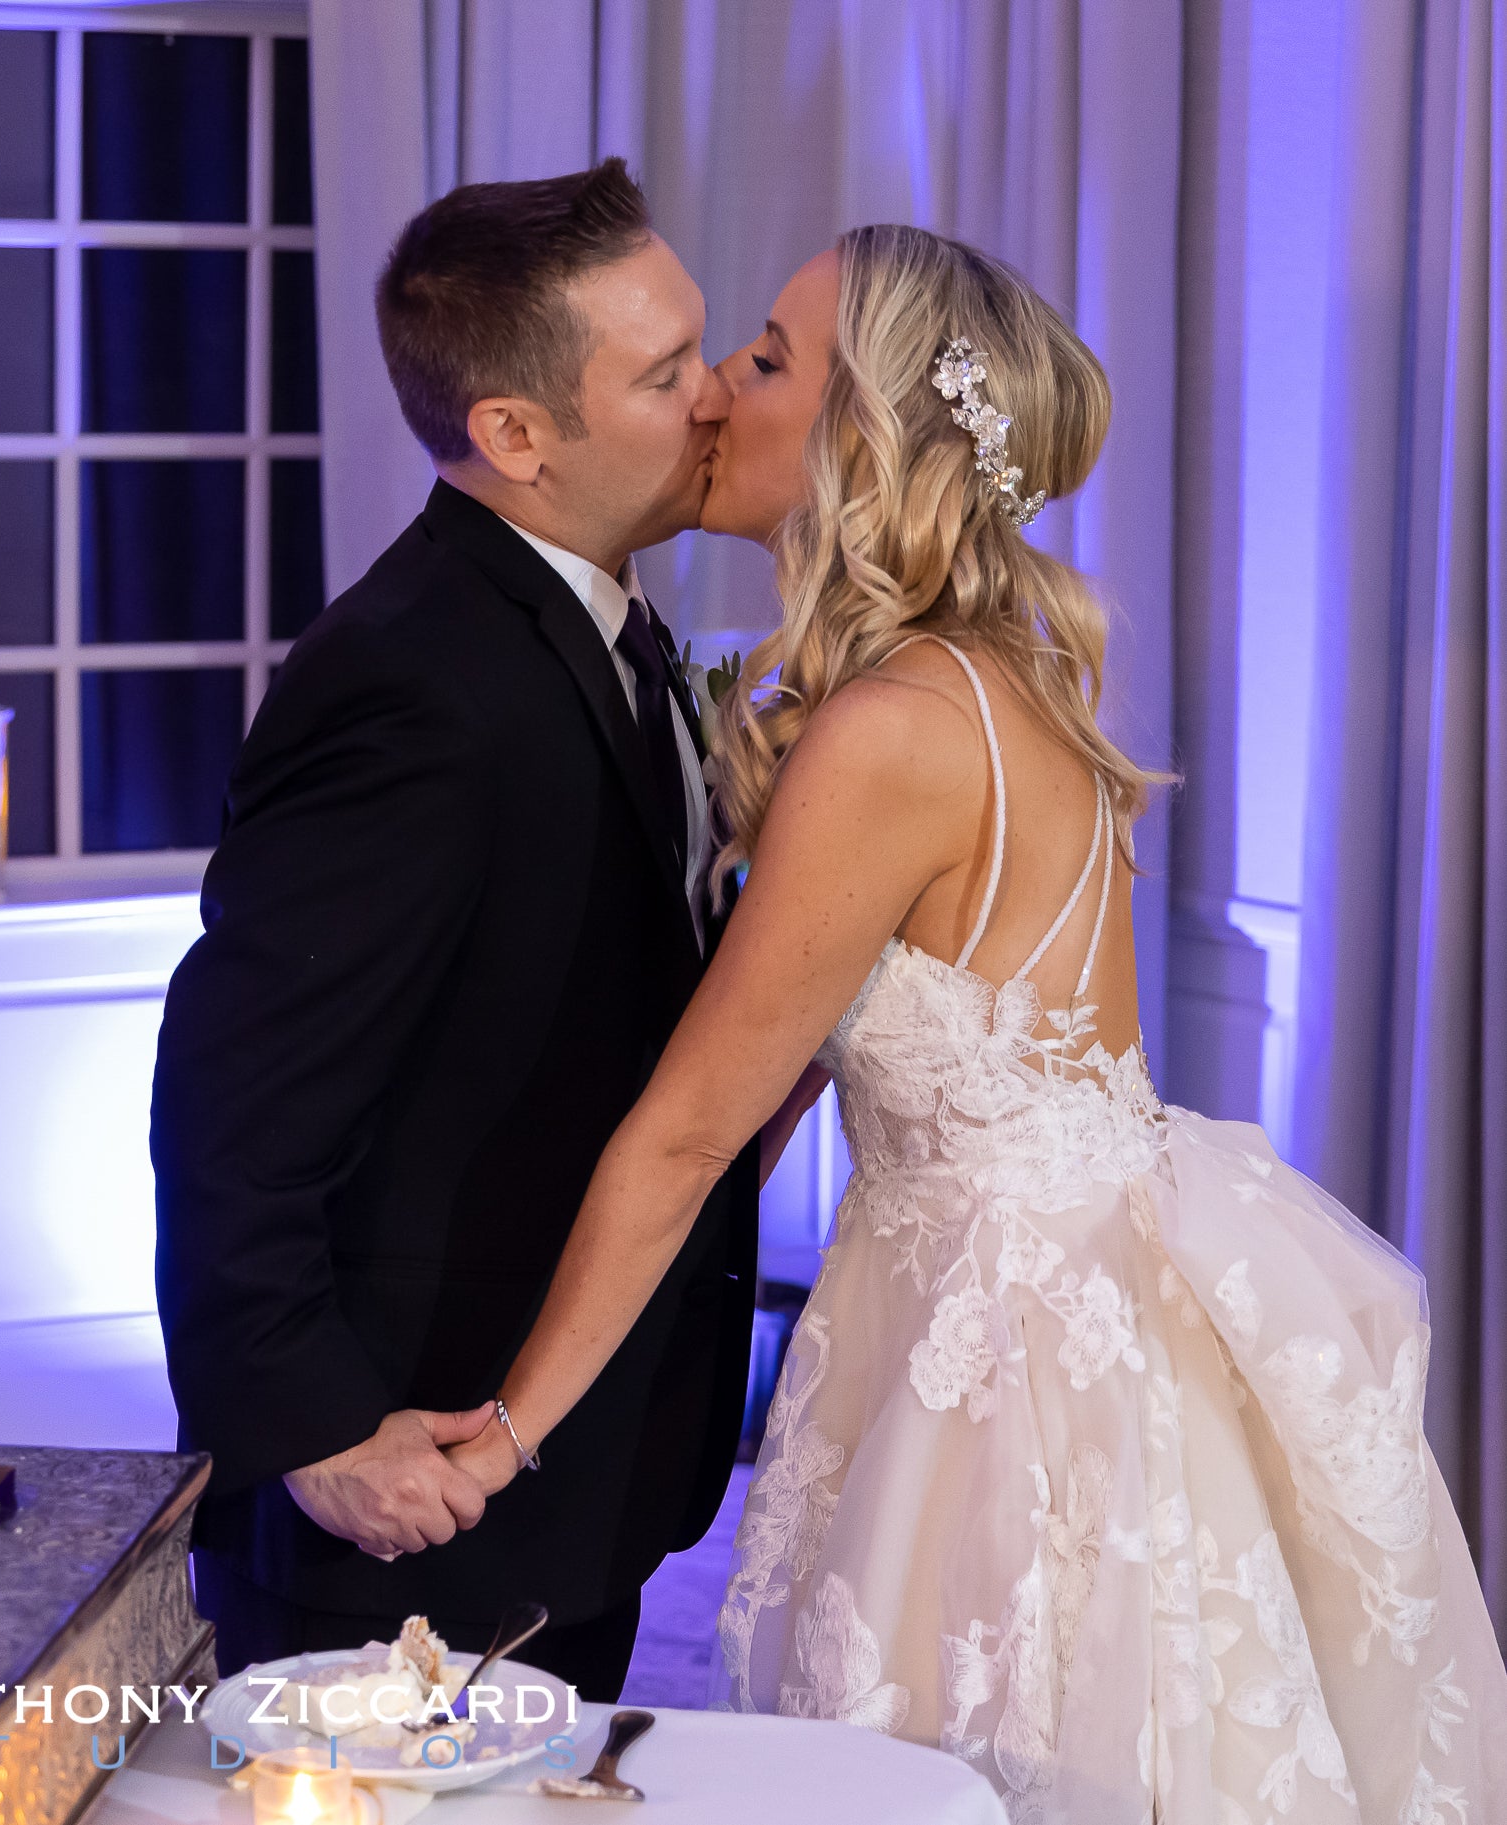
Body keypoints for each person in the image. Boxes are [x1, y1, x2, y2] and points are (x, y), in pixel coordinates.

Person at [444, 223, 1507, 1817]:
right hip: (1029, 1285)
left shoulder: (887, 730)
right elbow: (797, 1076)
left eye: (770, 359)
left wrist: (505, 1429)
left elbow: (688, 1130)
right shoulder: (991, 682)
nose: (726, 388)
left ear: (864, 428)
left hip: (1006, 1360)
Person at [152, 161, 787, 1702]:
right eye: (660, 372)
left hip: (573, 1475)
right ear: (511, 435)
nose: (712, 398)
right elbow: (235, 1091)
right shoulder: (409, 680)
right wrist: (310, 1428)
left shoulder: (610, 624)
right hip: (409, 1481)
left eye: (703, 345)